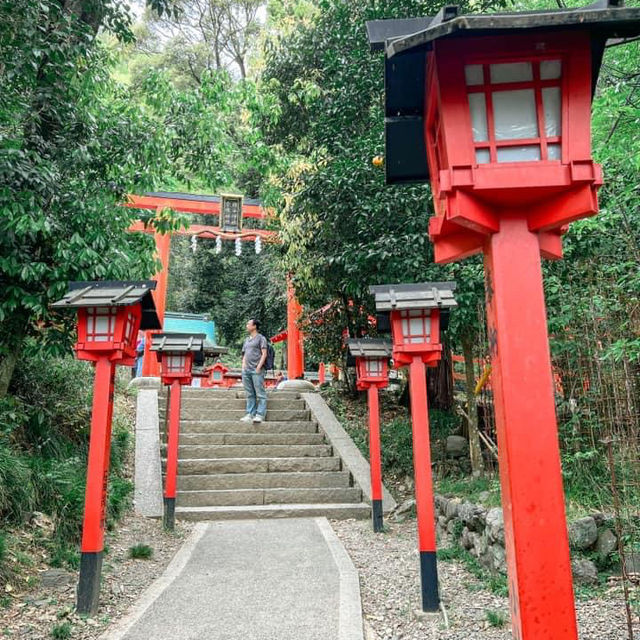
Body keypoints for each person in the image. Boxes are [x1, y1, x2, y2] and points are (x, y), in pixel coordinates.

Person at [241, 319, 268, 423]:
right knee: (249, 393)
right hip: (246, 370)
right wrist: (243, 366)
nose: (247, 325)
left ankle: (260, 415)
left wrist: (258, 367)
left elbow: (264, 354)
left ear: (254, 326)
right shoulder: (247, 340)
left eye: (248, 324)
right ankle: (250, 414)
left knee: (260, 393)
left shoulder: (261, 338)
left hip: (257, 370)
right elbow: (244, 354)